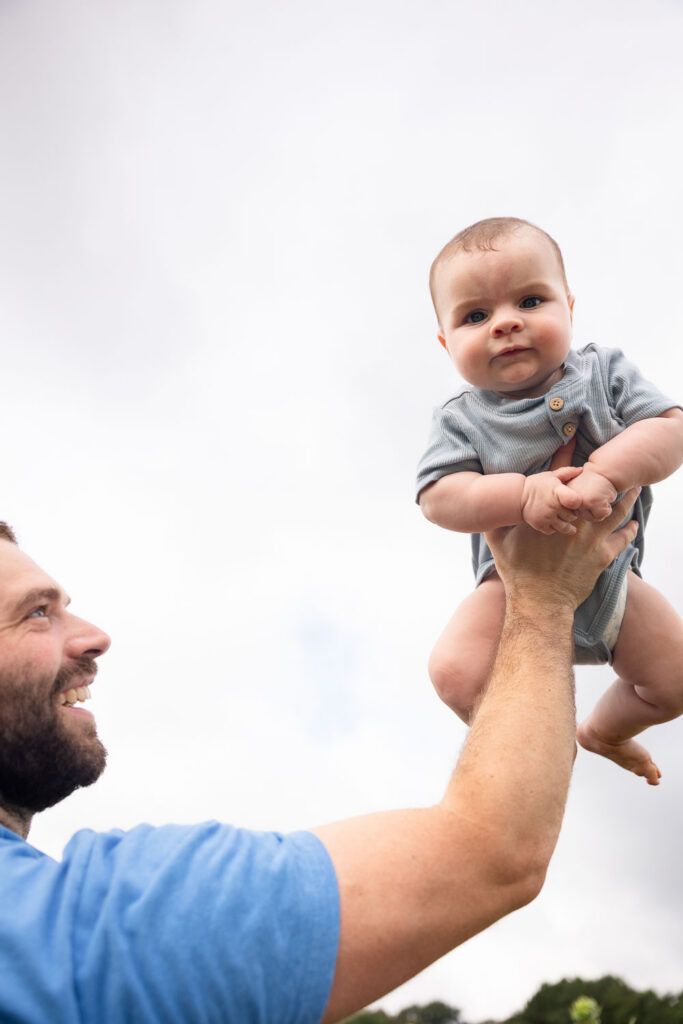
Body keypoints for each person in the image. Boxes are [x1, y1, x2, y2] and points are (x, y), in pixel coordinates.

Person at [0, 502, 638, 1023]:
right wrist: (545, 597)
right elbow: (495, 847)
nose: (92, 635)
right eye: (36, 613)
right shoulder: (90, 935)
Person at [417, 217, 683, 786]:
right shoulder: (462, 420)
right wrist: (521, 493)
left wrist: (606, 473)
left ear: (569, 307)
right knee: (453, 673)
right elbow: (439, 498)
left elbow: (670, 430)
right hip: (508, 591)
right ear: (446, 342)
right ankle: (539, 741)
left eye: (530, 300)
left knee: (677, 680)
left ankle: (604, 732)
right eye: (475, 316)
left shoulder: (603, 372)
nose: (506, 322)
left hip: (612, 583)